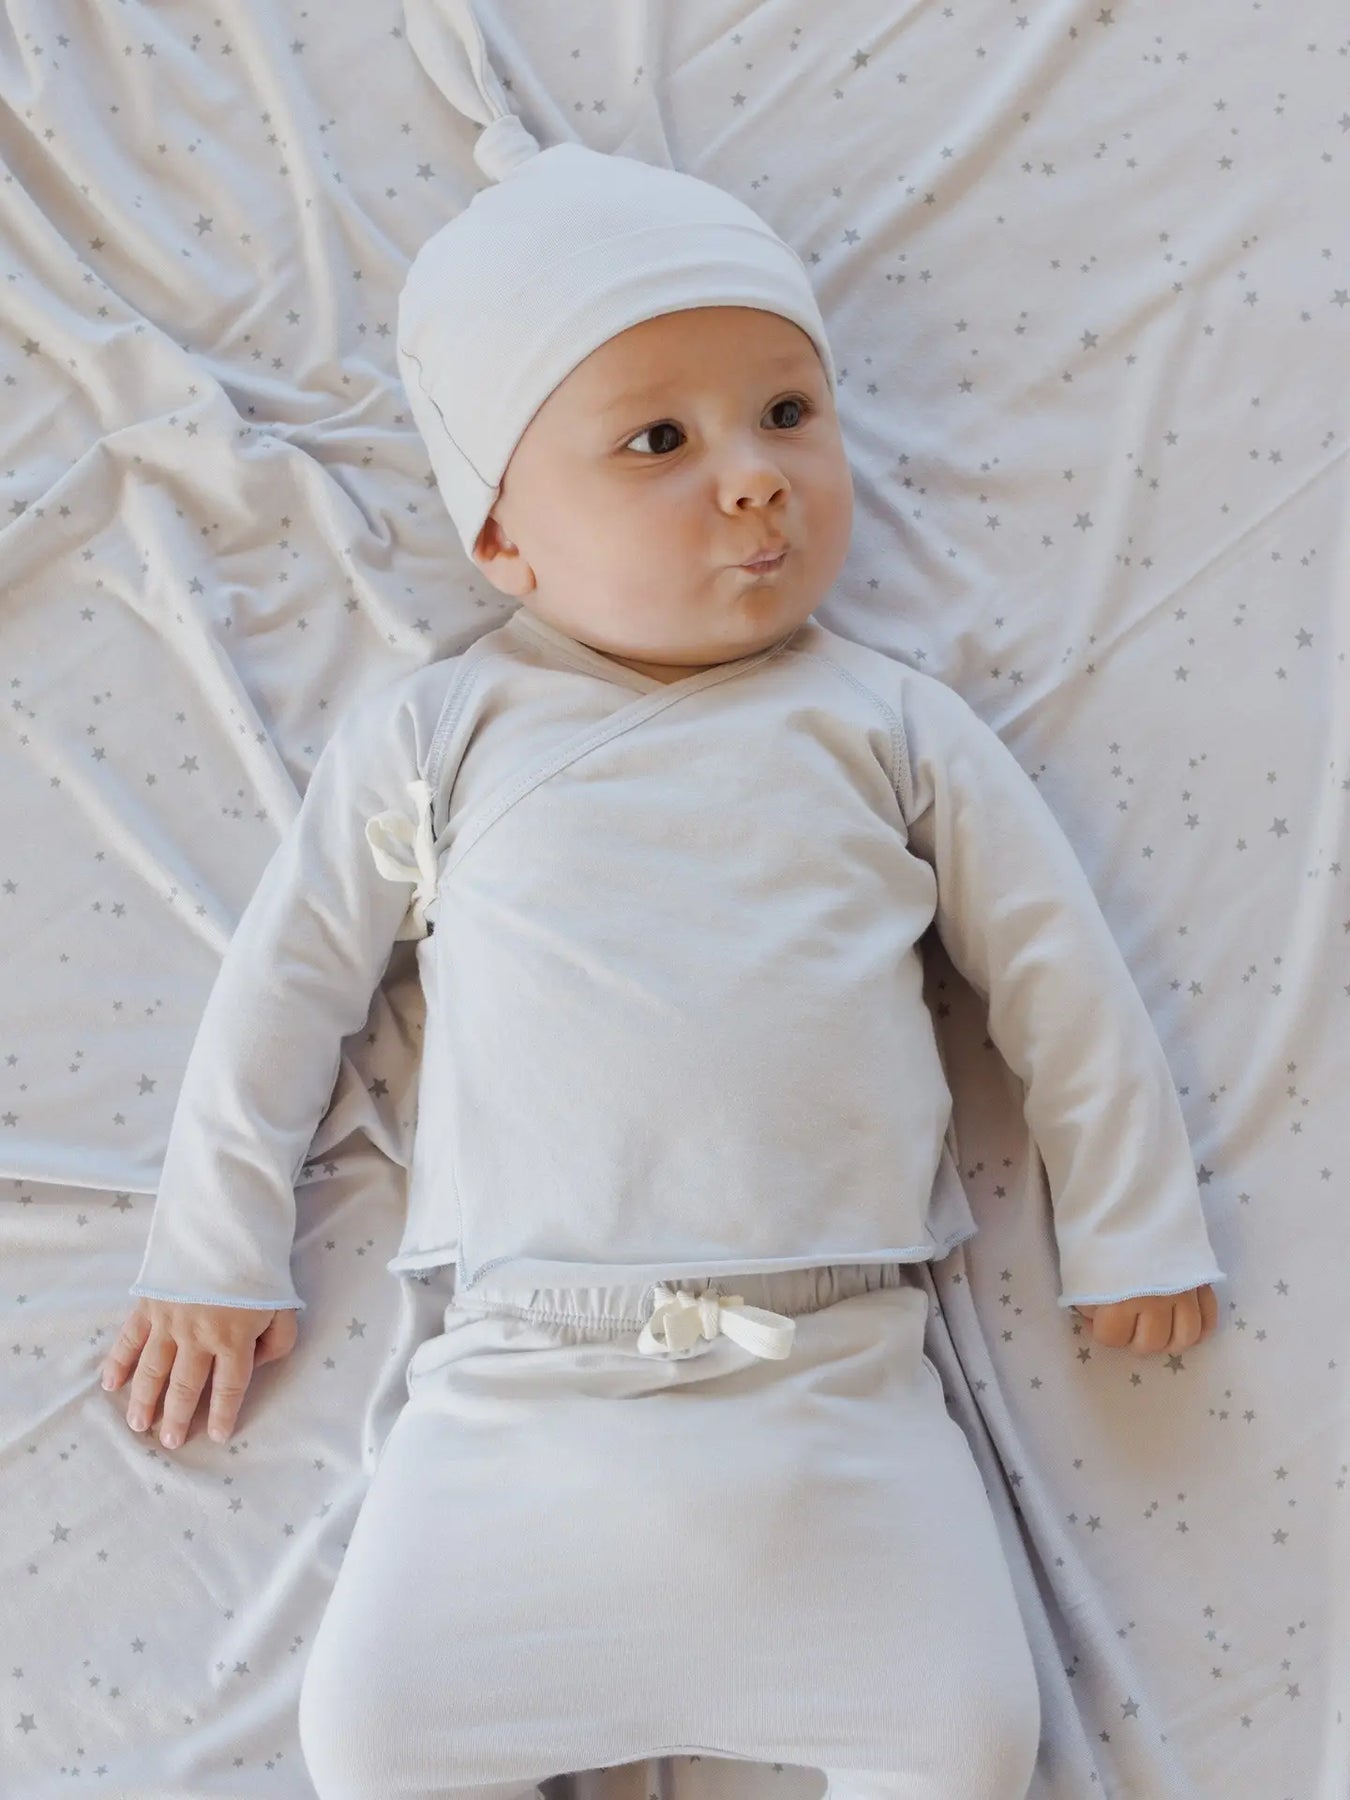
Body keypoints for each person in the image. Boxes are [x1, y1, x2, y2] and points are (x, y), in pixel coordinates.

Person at [99, 4, 1226, 1796]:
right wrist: (212, 1251)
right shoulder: (439, 739)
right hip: (518, 1400)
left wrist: (1130, 1222)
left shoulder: (884, 728)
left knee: (965, 1738)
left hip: (835, 1391)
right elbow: (290, 985)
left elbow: (1056, 977)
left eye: (786, 411)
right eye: (658, 443)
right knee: (371, 1738)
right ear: (500, 536)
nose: (755, 471)